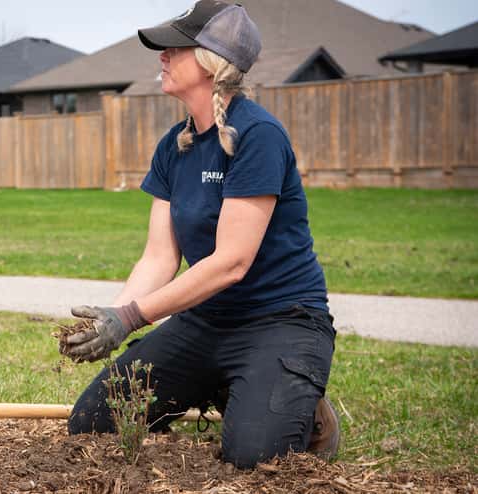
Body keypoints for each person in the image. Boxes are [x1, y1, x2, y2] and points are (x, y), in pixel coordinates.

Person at [60, 0, 340, 469]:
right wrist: (109, 319)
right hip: (206, 323)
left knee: (253, 457)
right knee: (93, 422)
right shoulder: (175, 145)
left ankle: (302, 407)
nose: (162, 57)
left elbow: (231, 263)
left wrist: (130, 318)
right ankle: (227, 381)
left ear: (211, 60)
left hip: (282, 322)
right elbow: (158, 258)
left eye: (174, 48)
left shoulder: (258, 136)